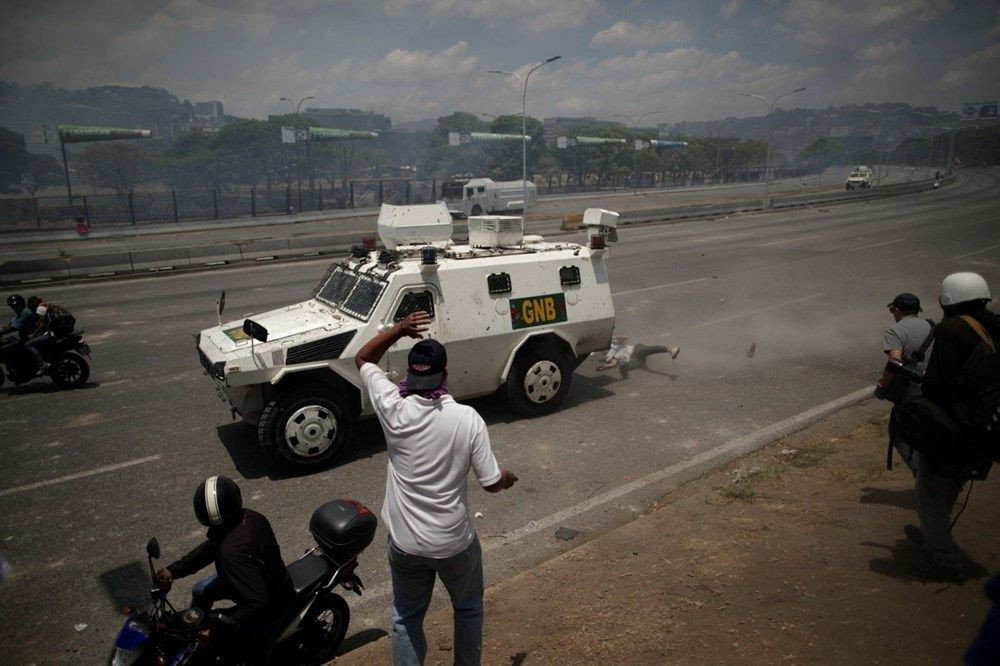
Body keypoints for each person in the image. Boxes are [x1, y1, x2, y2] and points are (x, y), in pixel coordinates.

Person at [354, 311, 517, 666]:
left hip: (406, 543)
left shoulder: (392, 408)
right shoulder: (467, 418)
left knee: (406, 618)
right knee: (469, 609)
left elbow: (364, 358)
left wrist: (398, 330)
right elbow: (491, 484)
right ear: (446, 375)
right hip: (454, 542)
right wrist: (506, 476)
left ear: (409, 375)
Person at [911, 272, 1000, 576]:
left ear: (947, 301)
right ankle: (937, 538)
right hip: (988, 426)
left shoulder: (951, 329)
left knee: (930, 492)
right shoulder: (993, 326)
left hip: (958, 428)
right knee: (948, 487)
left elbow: (939, 384)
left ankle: (944, 558)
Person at [155, 476, 292, 665]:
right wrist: (174, 570)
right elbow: (209, 548)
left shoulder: (231, 554)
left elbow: (258, 602)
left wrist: (217, 630)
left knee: (254, 657)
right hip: (247, 578)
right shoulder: (248, 517)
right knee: (201, 590)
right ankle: (194, 633)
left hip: (270, 601)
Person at [875, 293, 934, 472]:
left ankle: (922, 473)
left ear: (897, 310)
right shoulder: (933, 327)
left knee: (899, 434)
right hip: (936, 387)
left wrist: (882, 387)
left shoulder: (896, 331)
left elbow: (894, 362)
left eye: (893, 310)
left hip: (912, 393)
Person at [596, 335, 680, 378]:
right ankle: (625, 371)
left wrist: (613, 337)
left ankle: (670, 350)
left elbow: (625, 337)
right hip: (636, 359)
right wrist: (606, 367)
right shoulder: (610, 355)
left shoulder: (614, 343)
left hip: (636, 349)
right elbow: (614, 364)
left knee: (647, 350)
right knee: (624, 365)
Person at [0, 295, 38, 375]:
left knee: (5, 350)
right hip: (26, 336)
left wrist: (2, 332)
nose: (14, 308)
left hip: (28, 338)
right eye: (13, 306)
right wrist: (3, 328)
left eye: (15, 306)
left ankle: (17, 371)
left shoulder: (25, 312)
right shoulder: (22, 312)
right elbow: (13, 323)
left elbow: (12, 328)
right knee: (9, 341)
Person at [24, 296, 51, 374]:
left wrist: (33, 334)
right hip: (54, 332)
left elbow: (42, 324)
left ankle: (42, 364)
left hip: (51, 334)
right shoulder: (45, 306)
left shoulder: (39, 309)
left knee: (28, 344)